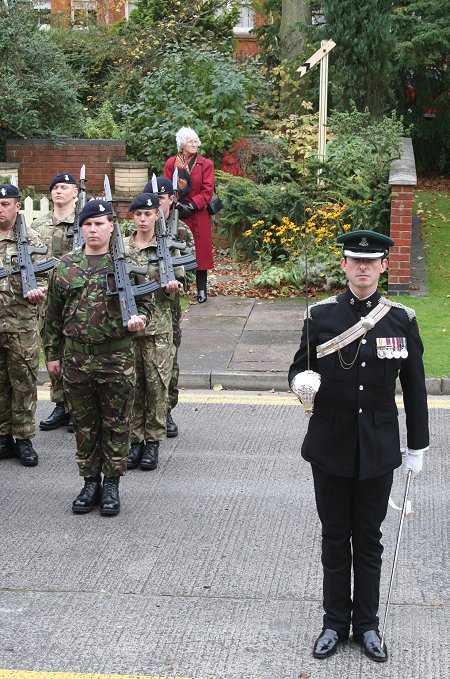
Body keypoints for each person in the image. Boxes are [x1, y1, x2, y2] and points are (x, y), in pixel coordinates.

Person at [288, 229, 429, 663]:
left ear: (384, 266)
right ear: (345, 265)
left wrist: (416, 447)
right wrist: (301, 384)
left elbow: (416, 389)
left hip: (378, 447)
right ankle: (334, 623)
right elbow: (298, 370)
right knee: (334, 537)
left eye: (371, 261)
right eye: (355, 260)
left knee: (368, 539)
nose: (363, 267)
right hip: (330, 445)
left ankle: (367, 626)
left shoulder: (400, 319)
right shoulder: (321, 316)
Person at [44, 199, 151, 516]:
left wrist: (139, 320)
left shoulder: (127, 264)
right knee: (84, 425)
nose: (93, 229)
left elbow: (144, 306)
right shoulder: (65, 266)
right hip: (76, 360)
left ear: (111, 227)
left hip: (115, 358)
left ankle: (112, 486)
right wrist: (52, 354)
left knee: (117, 424)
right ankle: (90, 482)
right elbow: (51, 316)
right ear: (82, 228)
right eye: (88, 224)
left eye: (100, 223)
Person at [124, 192, 183, 472]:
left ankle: (153, 443)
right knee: (132, 386)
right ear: (132, 217)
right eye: (138, 214)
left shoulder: (166, 248)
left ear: (157, 215)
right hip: (129, 328)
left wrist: (173, 287)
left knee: (157, 386)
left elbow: (179, 282)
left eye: (148, 214)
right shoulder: (122, 248)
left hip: (158, 328)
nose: (143, 218)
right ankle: (134, 441)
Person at [144, 175, 196, 437]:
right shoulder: (138, 232)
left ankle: (166, 409)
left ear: (170, 200)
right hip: (141, 308)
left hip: (169, 308)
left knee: (169, 360)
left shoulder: (181, 230)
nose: (157, 203)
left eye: (161, 199)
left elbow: (190, 266)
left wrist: (177, 279)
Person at [0, 183, 47, 467]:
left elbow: (46, 277)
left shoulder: (31, 239)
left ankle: (24, 438)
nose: (0, 209)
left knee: (24, 381)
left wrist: (38, 291)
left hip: (22, 325)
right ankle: (3, 436)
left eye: (6, 204)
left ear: (18, 206)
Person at [33, 172, 78, 432]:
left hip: (75, 298)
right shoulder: (37, 226)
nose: (58, 191)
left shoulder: (83, 223)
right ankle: (60, 403)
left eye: (64, 187)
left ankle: (76, 405)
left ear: (75, 192)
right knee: (52, 348)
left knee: (74, 349)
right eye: (55, 187)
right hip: (46, 299)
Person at [163, 126, 214, 303]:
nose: (194, 144)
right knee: (178, 249)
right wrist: (175, 204)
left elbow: (208, 190)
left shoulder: (206, 163)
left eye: (195, 141)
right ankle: (180, 286)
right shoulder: (171, 163)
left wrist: (192, 206)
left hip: (199, 213)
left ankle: (201, 289)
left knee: (202, 251)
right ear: (182, 144)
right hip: (178, 213)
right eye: (190, 141)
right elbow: (167, 187)